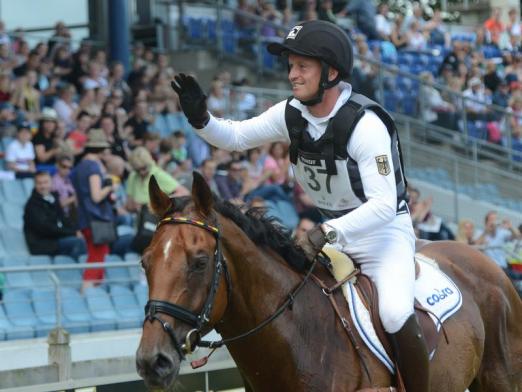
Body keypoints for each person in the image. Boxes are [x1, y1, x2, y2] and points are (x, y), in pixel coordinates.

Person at [170, 20, 428, 392]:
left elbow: (385, 205)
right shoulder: (291, 114)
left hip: (382, 236)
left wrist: (326, 231)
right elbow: (238, 137)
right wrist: (201, 119)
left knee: (394, 312)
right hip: (330, 238)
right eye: (290, 65)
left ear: (331, 72)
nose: (292, 74)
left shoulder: (365, 126)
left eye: (302, 66)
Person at [70, 128, 116, 292]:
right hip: (96, 218)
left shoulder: (78, 167)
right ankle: (86, 291)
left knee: (98, 253)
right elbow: (96, 196)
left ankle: (93, 292)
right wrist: (109, 187)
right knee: (96, 256)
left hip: (84, 218)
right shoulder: (93, 167)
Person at [23, 171, 86, 260]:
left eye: (45, 182)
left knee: (85, 239)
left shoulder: (53, 198)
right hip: (43, 244)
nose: (43, 186)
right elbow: (45, 228)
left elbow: (63, 218)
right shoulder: (32, 205)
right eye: (39, 183)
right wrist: (72, 233)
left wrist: (76, 231)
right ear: (35, 184)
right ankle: (75, 271)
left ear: (51, 183)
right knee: (77, 243)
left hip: (56, 239)